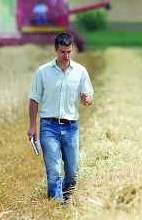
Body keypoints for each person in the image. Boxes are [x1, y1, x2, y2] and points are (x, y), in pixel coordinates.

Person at [27, 32, 94, 203]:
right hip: (49, 126)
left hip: (71, 127)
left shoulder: (80, 71)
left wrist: (88, 100)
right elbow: (34, 98)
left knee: (73, 173)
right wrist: (32, 126)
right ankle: (56, 205)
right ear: (55, 50)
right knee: (54, 170)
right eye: (63, 52)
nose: (66, 56)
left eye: (69, 52)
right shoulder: (43, 72)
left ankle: (64, 198)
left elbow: (89, 97)